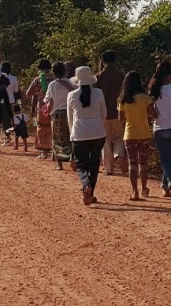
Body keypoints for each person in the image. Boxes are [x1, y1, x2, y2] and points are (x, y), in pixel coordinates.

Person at [67, 66, 107, 205]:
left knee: (80, 163)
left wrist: (73, 134)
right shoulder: (99, 92)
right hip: (98, 133)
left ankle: (86, 185)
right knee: (94, 163)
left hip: (79, 134)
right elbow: (104, 114)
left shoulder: (71, 95)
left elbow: (70, 119)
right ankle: (90, 193)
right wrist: (96, 124)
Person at [149, 61, 171, 201]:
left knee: (165, 159)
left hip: (160, 127)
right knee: (170, 158)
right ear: (170, 74)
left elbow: (152, 113)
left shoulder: (154, 90)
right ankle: (165, 186)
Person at [118, 71, 153, 201]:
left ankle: (134, 191)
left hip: (130, 134)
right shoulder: (145, 98)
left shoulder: (123, 99)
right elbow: (153, 114)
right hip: (144, 133)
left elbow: (120, 118)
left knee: (132, 164)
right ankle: (144, 188)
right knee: (143, 162)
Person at [95, 50, 126, 176]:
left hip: (103, 113)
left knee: (105, 140)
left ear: (102, 60)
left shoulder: (98, 76)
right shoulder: (121, 75)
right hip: (118, 111)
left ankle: (108, 168)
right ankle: (118, 155)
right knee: (119, 137)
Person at [43, 61, 75, 170]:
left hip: (57, 113)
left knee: (58, 138)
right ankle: (72, 158)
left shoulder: (52, 85)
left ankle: (59, 164)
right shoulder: (71, 83)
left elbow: (48, 100)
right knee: (71, 136)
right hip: (71, 112)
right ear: (65, 71)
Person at [24, 59, 54, 160]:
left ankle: (44, 152)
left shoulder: (38, 79)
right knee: (54, 128)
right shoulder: (55, 78)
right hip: (55, 106)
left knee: (42, 127)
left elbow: (29, 93)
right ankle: (55, 151)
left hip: (42, 107)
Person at [0, 62, 19, 144]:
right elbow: (16, 91)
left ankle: (7, 136)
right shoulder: (14, 78)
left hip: (1, 101)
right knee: (10, 118)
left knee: (3, 119)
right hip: (11, 100)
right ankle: (15, 134)